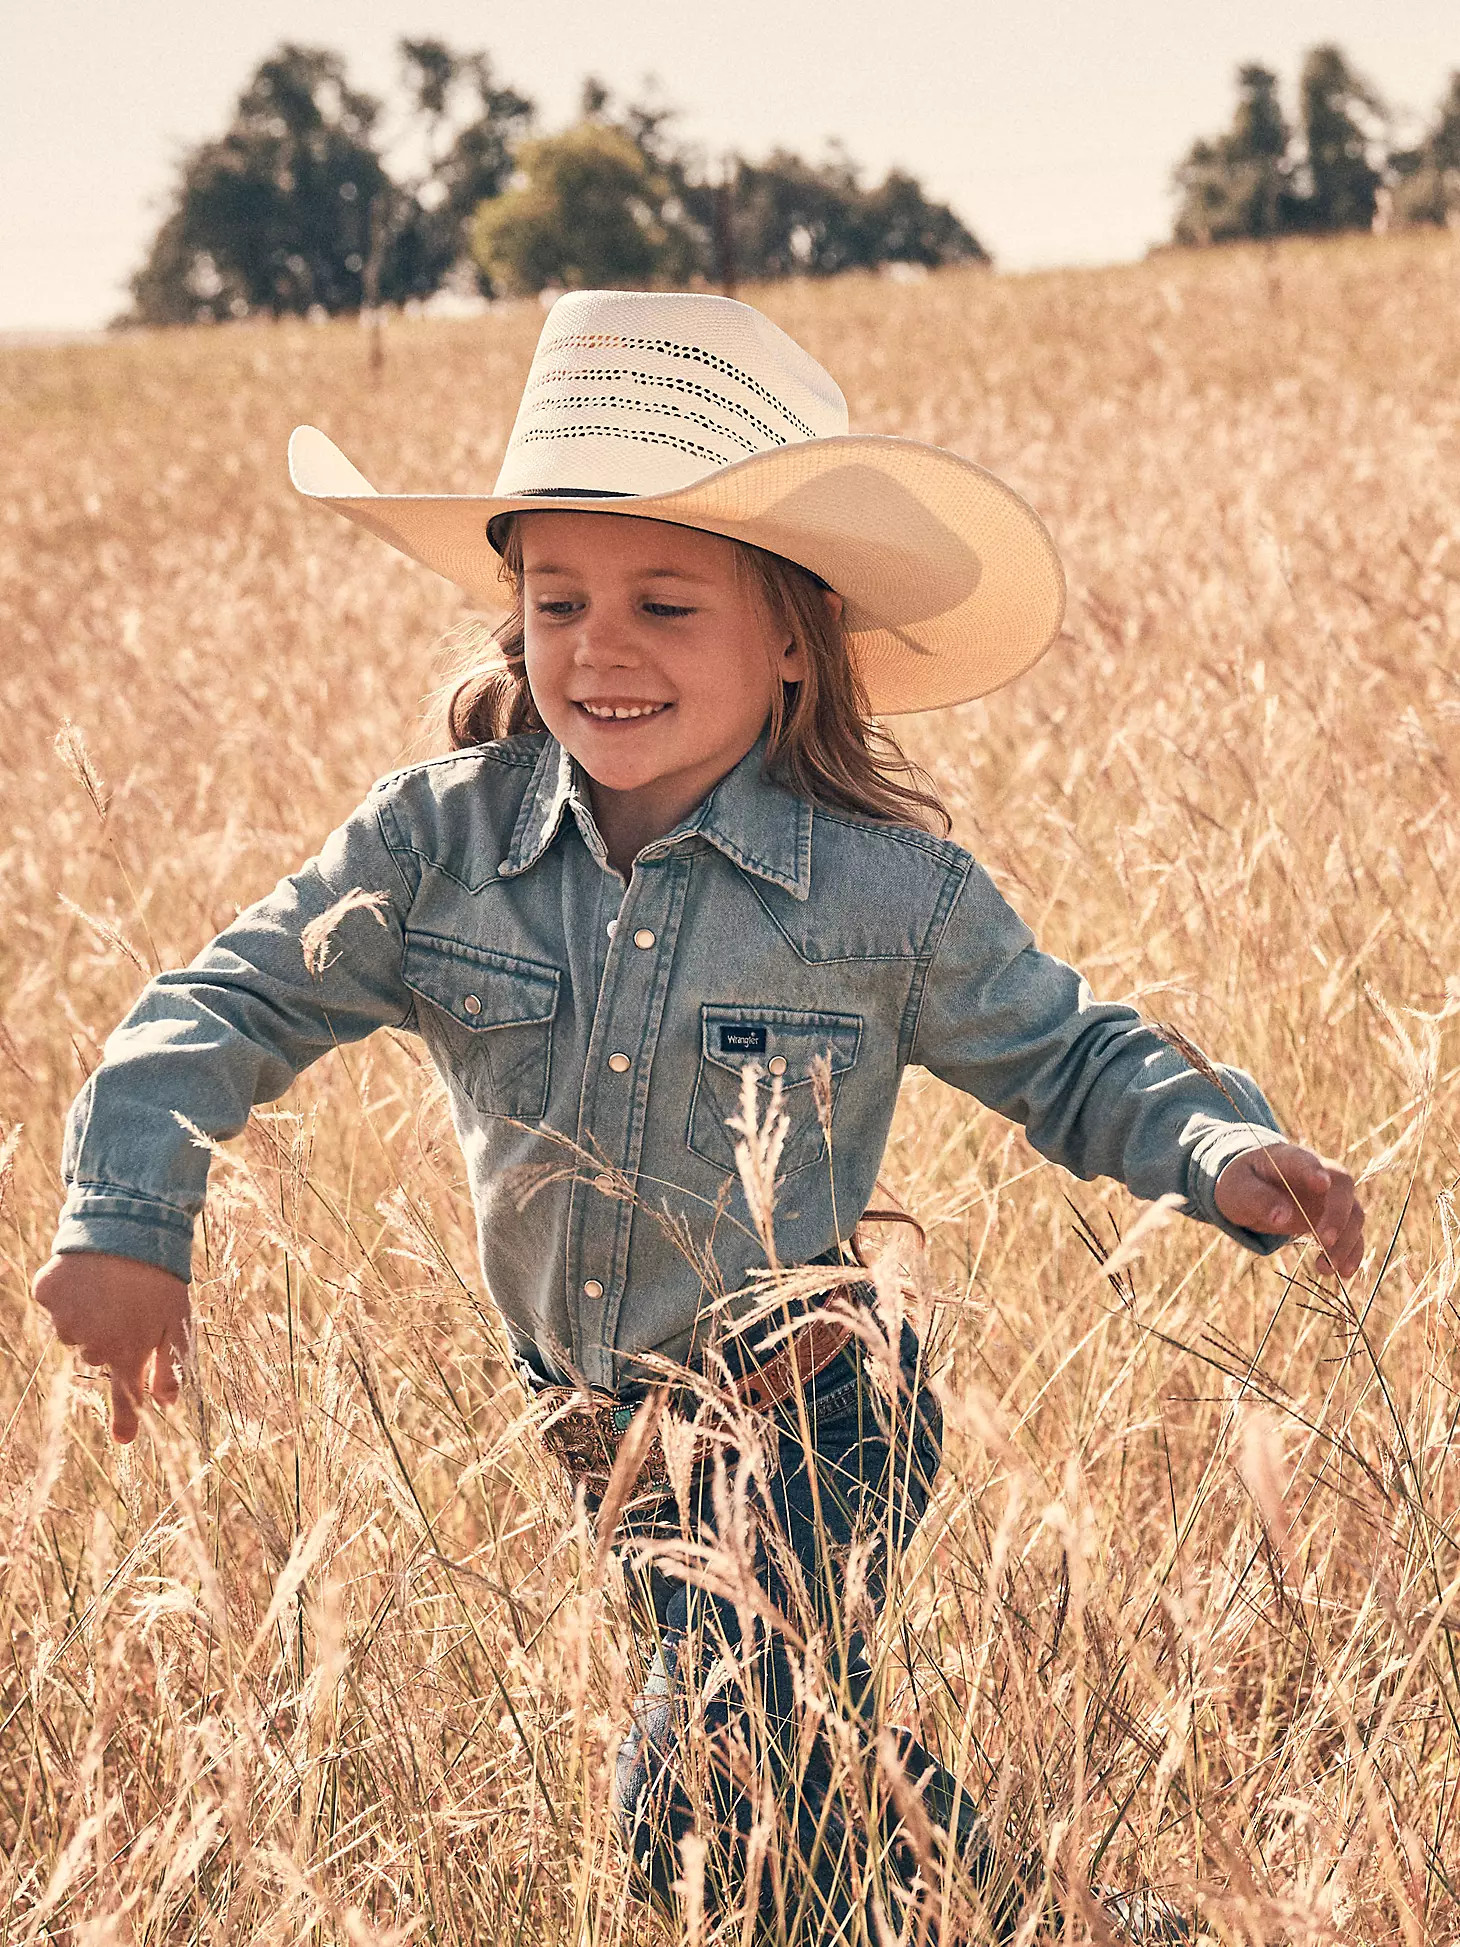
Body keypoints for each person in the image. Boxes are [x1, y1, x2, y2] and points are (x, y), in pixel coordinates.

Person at [33, 290, 1362, 1943]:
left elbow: (1070, 1054)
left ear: (793, 636)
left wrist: (1216, 1147)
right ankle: (1078, 1925)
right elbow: (220, 1001)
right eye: (556, 596)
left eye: (667, 601)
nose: (600, 646)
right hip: (610, 1450)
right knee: (794, 1802)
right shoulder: (434, 850)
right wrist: (129, 1216)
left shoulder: (890, 892)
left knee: (697, 1796)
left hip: (814, 1415)